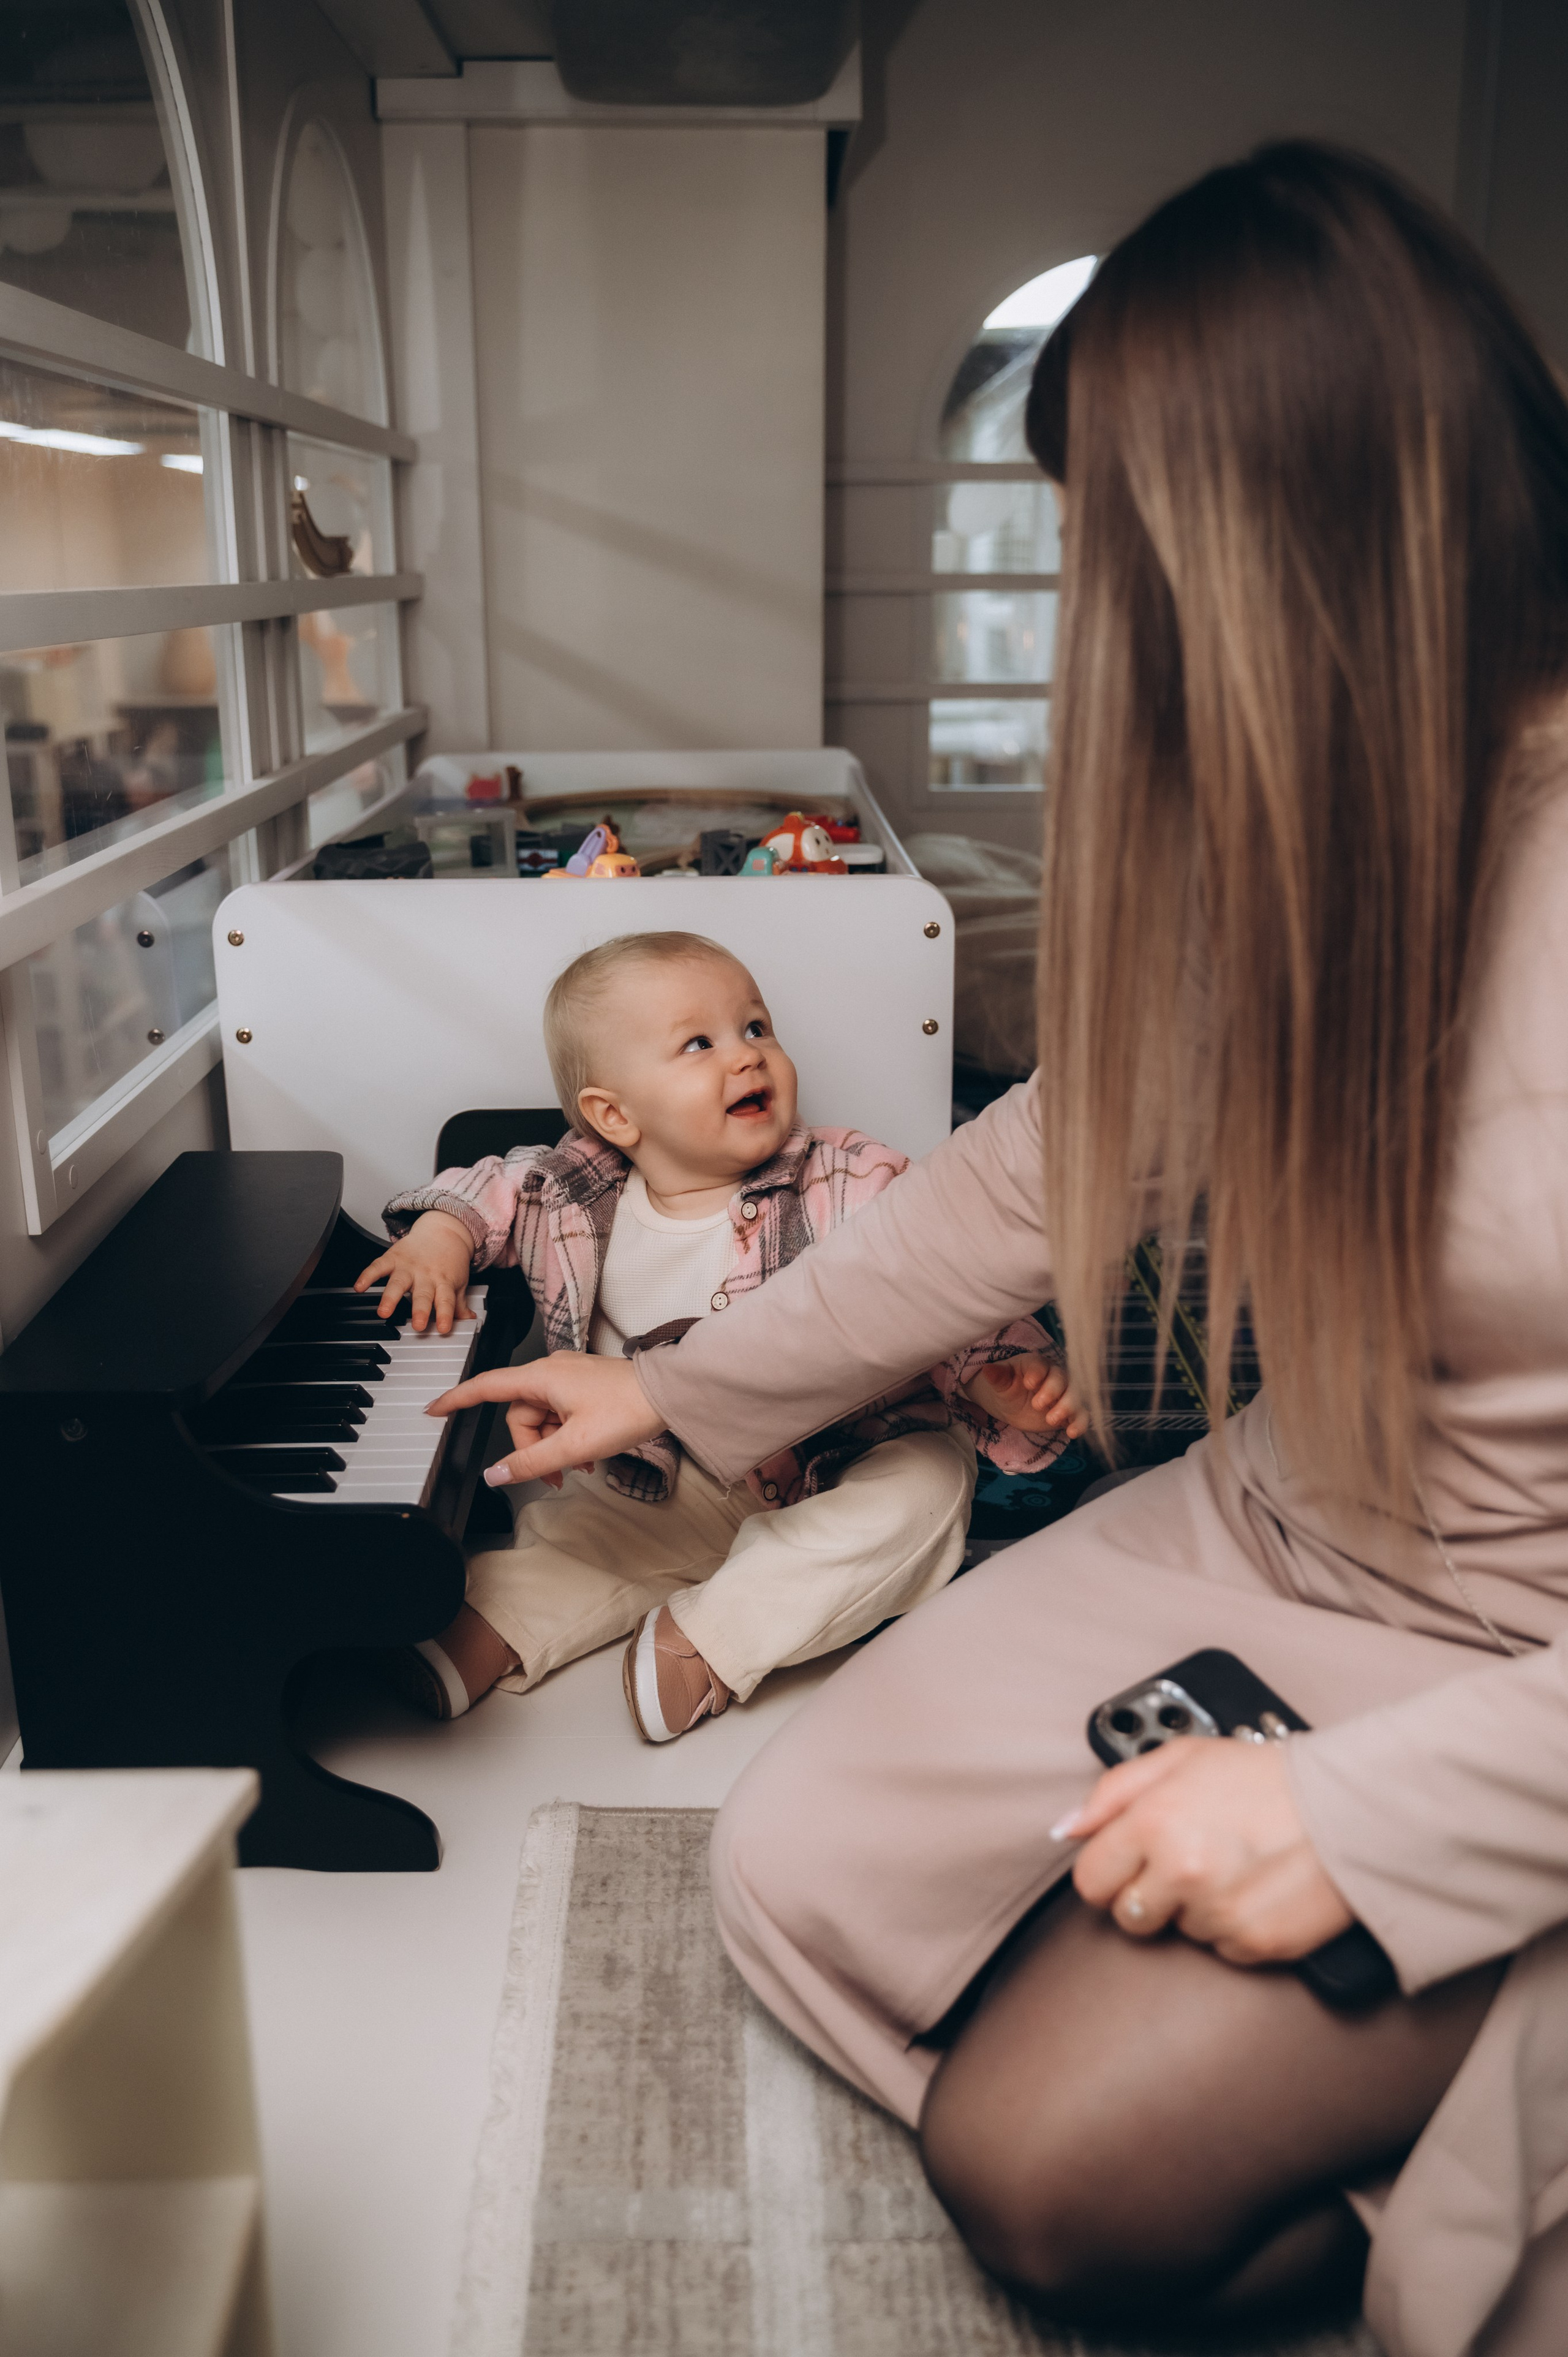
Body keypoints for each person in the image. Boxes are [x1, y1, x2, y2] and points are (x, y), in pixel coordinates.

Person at [432, 143, 1568, 2354]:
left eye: (1107, 549)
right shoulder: (1321, 826)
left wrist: (1372, 1817)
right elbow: (1023, 1180)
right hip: (1291, 1527)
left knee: (1050, 2164)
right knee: (797, 1873)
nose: (1091, 620)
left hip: (1530, 1658)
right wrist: (670, 1382)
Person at [364, 930, 1080, 1738]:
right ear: (614, 1115)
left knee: (926, 1496)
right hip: (663, 1475)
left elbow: (936, 1271)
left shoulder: (848, 1176)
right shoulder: (570, 1190)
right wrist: (442, 1237)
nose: (746, 1056)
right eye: (698, 1044)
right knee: (582, 1532)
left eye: (756, 1028)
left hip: (844, 1458)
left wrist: (997, 1373)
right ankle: (492, 1626)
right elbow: (485, 1190)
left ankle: (710, 1641)